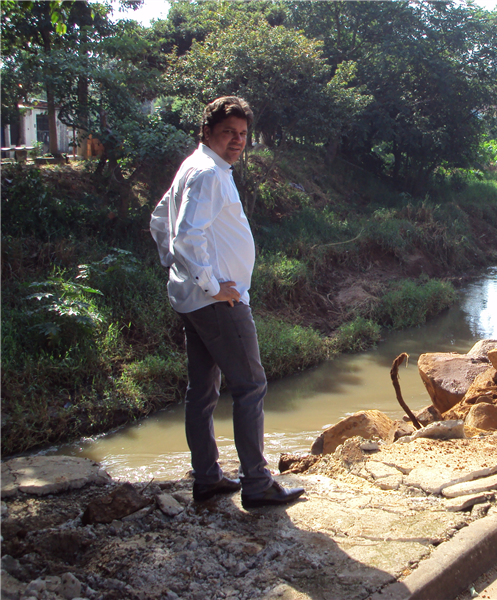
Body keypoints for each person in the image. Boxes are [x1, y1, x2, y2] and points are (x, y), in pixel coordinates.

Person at [150, 96, 304, 508]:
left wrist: (178, 270)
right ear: (208, 132)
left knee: (202, 391)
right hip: (218, 303)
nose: (237, 140)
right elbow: (184, 235)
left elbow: (159, 218)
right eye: (227, 132)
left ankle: (208, 478)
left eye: (242, 134)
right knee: (250, 385)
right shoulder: (208, 174)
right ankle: (256, 483)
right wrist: (211, 284)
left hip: (194, 300)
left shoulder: (198, 166)